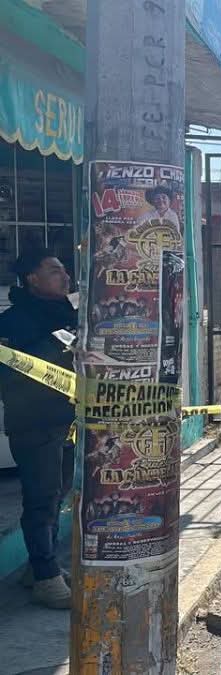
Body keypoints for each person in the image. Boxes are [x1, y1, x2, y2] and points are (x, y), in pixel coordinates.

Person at [0, 248, 75, 609]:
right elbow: (9, 375)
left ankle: (40, 566)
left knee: (58, 494)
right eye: (55, 270)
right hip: (34, 424)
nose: (65, 277)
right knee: (41, 499)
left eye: (64, 271)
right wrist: (58, 352)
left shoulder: (67, 313)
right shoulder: (14, 322)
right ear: (32, 278)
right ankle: (46, 577)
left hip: (66, 421)